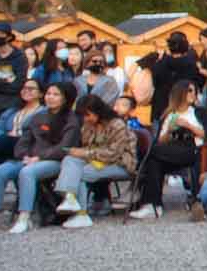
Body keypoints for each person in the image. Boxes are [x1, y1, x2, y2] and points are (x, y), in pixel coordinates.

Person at [0, 83, 78, 234]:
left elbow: (65, 146)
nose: (50, 97)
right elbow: (23, 141)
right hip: (29, 158)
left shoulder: (71, 119)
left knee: (27, 172)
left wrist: (39, 157)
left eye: (56, 94)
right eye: (49, 93)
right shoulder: (37, 117)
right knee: (0, 171)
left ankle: (24, 217)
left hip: (56, 160)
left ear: (65, 98)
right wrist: (24, 155)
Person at [49, 95, 139, 229]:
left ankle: (82, 214)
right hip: (96, 160)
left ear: (98, 111)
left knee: (81, 173)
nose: (85, 119)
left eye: (88, 115)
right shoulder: (88, 125)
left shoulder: (117, 125)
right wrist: (78, 152)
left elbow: (113, 154)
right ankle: (69, 197)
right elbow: (87, 146)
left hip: (121, 164)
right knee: (70, 159)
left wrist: (84, 153)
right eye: (83, 116)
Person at [127, 81, 206, 220]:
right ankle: (153, 206)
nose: (193, 94)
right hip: (171, 148)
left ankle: (136, 185)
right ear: (180, 93)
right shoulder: (169, 115)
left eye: (194, 91)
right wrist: (169, 131)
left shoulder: (199, 112)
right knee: (154, 161)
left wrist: (188, 126)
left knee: (151, 152)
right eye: (190, 90)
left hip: (193, 149)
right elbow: (161, 141)